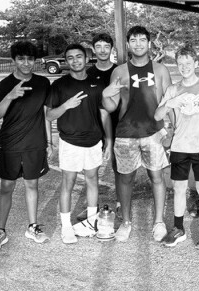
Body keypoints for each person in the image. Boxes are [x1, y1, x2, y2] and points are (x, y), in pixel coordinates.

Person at [102, 26, 172, 242]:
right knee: (125, 179)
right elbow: (111, 106)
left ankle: (159, 222)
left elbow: (169, 102)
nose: (138, 44)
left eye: (143, 40)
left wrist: (171, 131)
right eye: (134, 40)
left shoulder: (160, 70)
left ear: (149, 43)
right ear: (128, 44)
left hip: (154, 132)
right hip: (126, 133)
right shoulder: (119, 71)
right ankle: (126, 222)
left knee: (157, 177)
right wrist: (105, 95)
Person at [154, 45, 199, 251]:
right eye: (180, 63)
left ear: (195, 64)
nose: (184, 67)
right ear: (177, 66)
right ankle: (178, 229)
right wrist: (172, 102)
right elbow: (158, 116)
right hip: (179, 146)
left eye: (188, 63)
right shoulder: (173, 89)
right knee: (178, 188)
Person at [0, 41, 53, 252]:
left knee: (32, 185)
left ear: (35, 60)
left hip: (34, 143)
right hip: (11, 144)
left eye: (30, 59)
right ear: (14, 60)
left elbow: (45, 115)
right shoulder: (5, 84)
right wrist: (10, 96)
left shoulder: (43, 83)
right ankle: (0, 231)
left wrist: (49, 142)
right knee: (7, 187)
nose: (26, 63)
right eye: (21, 58)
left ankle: (33, 227)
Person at [45, 43, 112, 244]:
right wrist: (66, 105)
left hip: (93, 141)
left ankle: (92, 223)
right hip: (70, 142)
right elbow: (49, 115)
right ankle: (66, 227)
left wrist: (108, 139)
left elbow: (104, 112)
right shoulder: (59, 85)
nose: (75, 60)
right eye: (71, 58)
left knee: (93, 180)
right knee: (68, 182)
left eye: (78, 57)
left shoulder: (97, 83)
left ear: (86, 58)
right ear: (66, 61)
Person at [76, 32, 119, 221]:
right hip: (93, 126)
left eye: (106, 47)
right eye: (99, 46)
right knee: (91, 170)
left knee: (119, 167)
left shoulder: (118, 72)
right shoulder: (88, 73)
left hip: (118, 125)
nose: (102, 50)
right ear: (93, 49)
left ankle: (120, 205)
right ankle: (91, 208)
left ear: (112, 49)